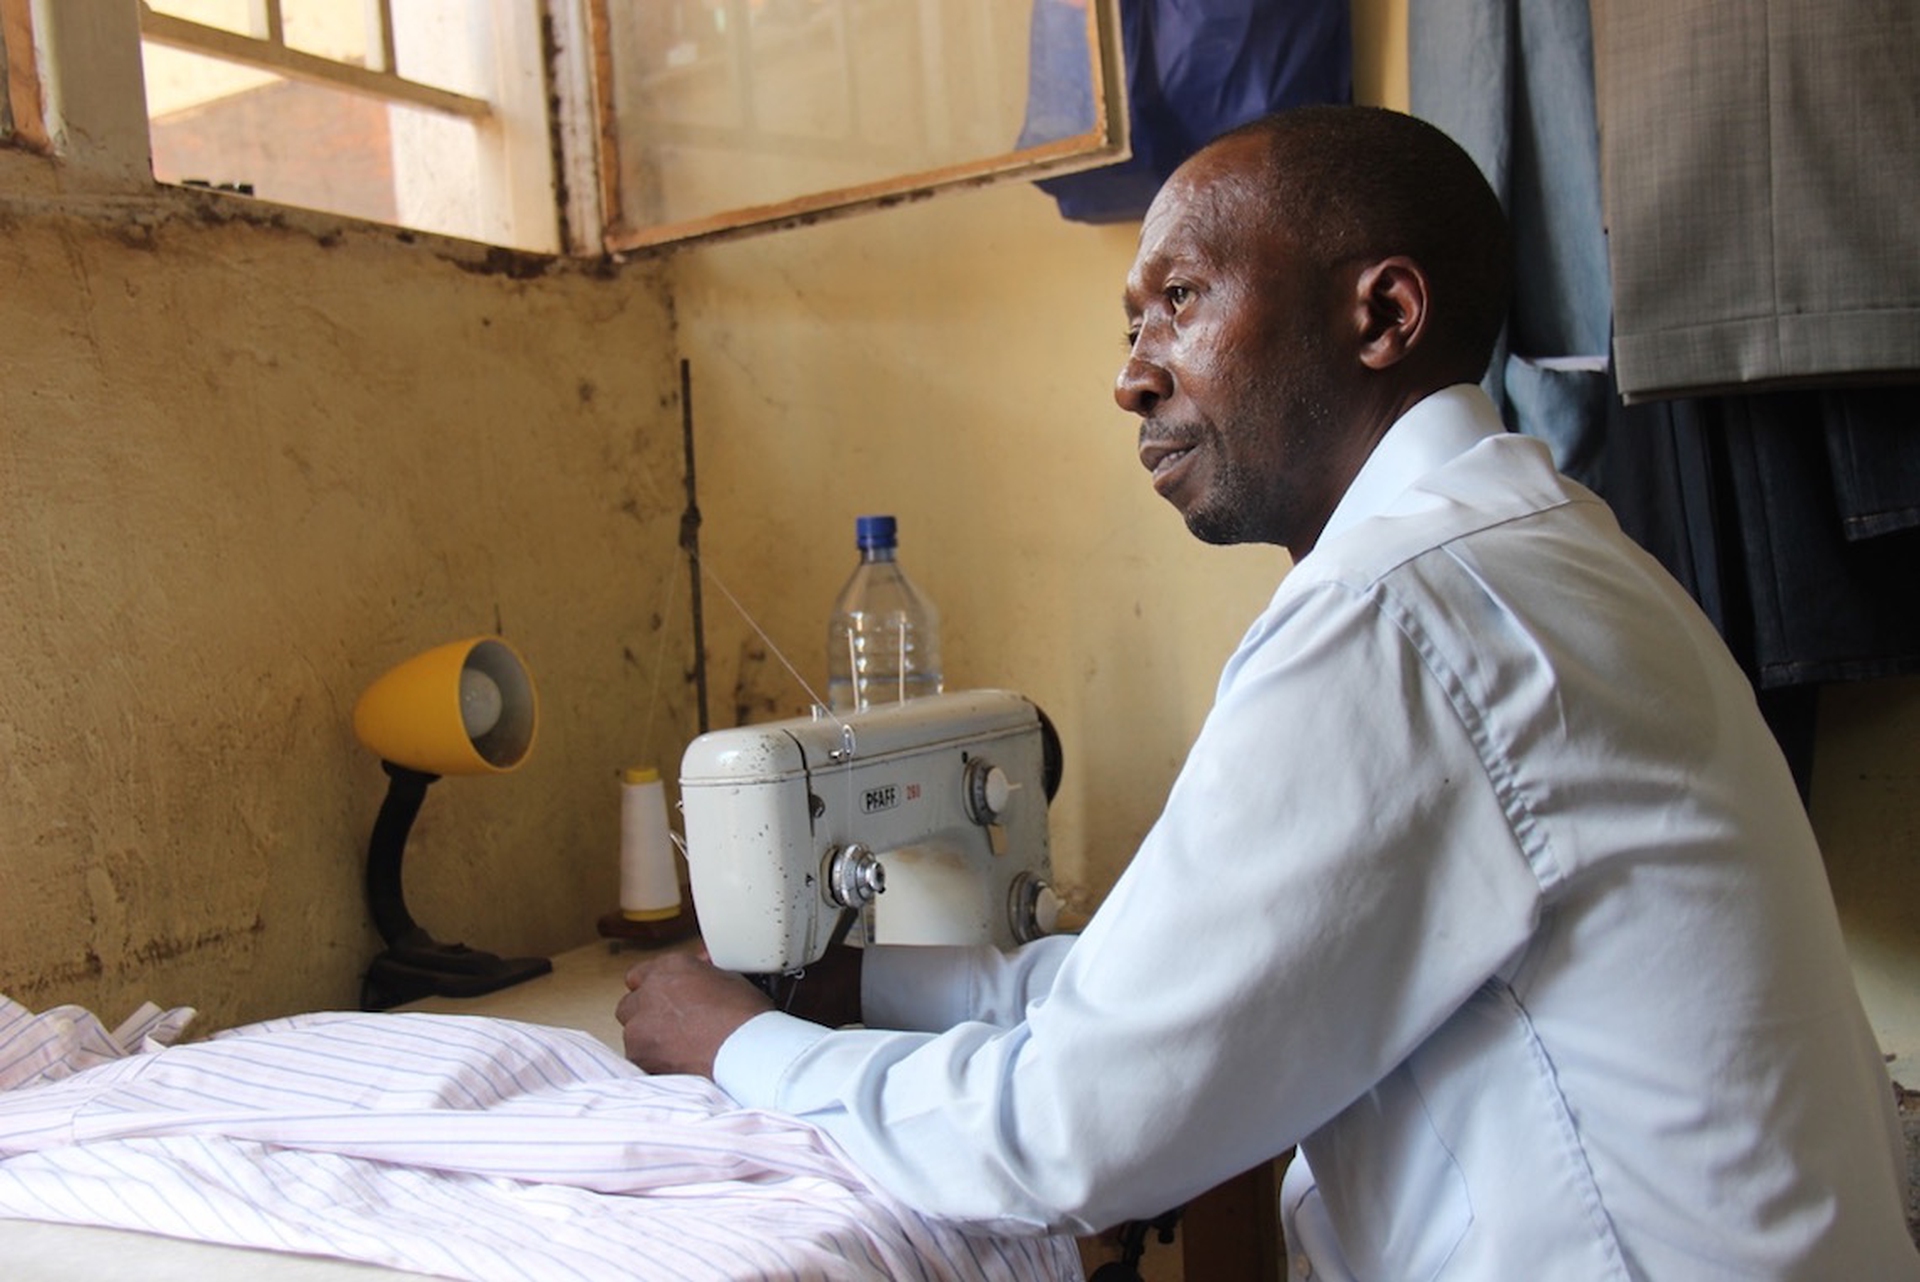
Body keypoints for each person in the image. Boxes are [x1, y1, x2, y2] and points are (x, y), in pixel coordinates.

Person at [618, 105, 1918, 1278]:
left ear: (1381, 315)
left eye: (1178, 298)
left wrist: (739, 1042)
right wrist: (883, 989)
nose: (1131, 374)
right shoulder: (1544, 558)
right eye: (1132, 322)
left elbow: (1082, 1125)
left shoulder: (1396, 612)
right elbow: (1164, 991)